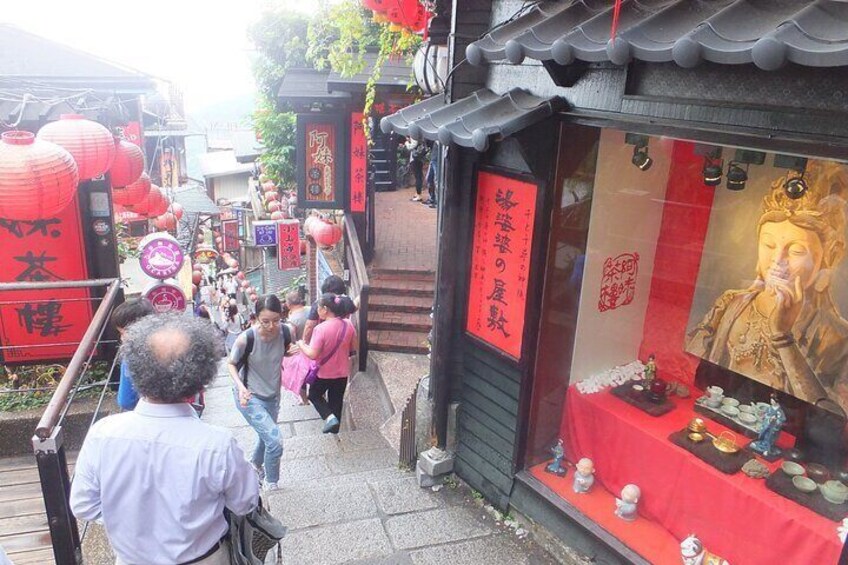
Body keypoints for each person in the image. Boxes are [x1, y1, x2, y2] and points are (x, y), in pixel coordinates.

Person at [70, 314, 259, 565]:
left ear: (136, 370)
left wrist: (131, 519)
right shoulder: (216, 444)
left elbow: (83, 505)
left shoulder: (102, 434)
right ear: (200, 378)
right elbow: (244, 503)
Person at [687, 160, 848, 415]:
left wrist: (782, 335)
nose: (778, 261)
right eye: (769, 245)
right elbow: (691, 368)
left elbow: (831, 418)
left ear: (828, 257)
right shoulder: (731, 304)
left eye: (796, 250)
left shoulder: (838, 338)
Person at [227, 295, 294, 490]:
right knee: (275, 441)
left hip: (272, 395)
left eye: (276, 320)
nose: (272, 326)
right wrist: (241, 387)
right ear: (256, 318)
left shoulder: (287, 332)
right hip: (249, 396)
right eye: (265, 321)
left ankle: (253, 467)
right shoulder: (245, 339)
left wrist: (291, 351)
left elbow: (286, 350)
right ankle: (271, 484)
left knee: (266, 436)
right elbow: (231, 364)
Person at [297, 293, 358, 434]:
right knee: (336, 401)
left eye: (318, 308)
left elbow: (313, 354)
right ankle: (335, 431)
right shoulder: (348, 324)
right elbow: (354, 347)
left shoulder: (321, 329)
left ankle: (329, 417)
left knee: (314, 394)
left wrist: (301, 344)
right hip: (342, 372)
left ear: (325, 309)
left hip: (324, 373)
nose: (317, 311)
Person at [111, 299, 155, 411]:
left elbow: (126, 401)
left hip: (146, 414)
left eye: (123, 332)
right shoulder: (173, 346)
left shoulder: (131, 356)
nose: (122, 338)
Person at [302, 275, 357, 343]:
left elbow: (309, 326)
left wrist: (304, 342)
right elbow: (356, 304)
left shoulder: (320, 303)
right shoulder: (347, 301)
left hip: (323, 340)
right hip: (342, 338)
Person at [405, 137, 426, 202]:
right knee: (418, 176)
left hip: (415, 159)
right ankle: (417, 193)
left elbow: (411, 146)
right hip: (419, 159)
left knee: (418, 177)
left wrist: (407, 143)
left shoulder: (415, 136)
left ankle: (419, 195)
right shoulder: (420, 137)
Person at [424, 141, 439, 208]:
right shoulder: (433, 139)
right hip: (433, 159)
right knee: (429, 179)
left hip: (438, 160)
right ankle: (432, 198)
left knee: (437, 180)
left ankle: (437, 201)